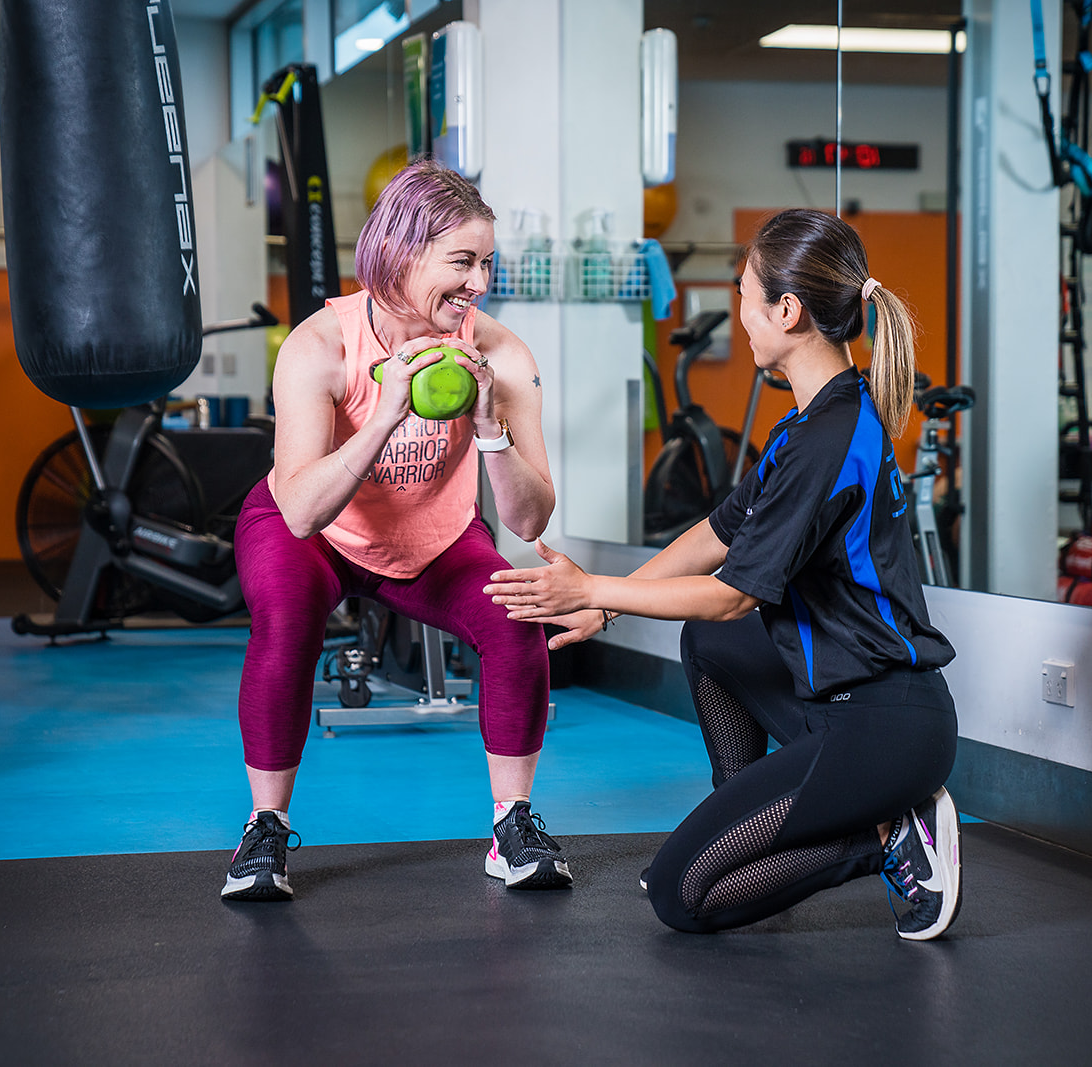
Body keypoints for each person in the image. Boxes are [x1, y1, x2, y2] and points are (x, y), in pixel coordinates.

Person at [485, 209, 962, 940]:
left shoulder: (826, 440)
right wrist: (606, 609)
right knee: (710, 648)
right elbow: (718, 533)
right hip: (840, 698)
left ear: (788, 310)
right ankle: (748, 814)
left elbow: (731, 594)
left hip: (881, 723)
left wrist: (593, 589)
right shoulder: (812, 421)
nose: (741, 313)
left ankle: (885, 836)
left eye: (745, 294)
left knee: (683, 897)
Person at [221, 160, 570, 902]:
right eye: (462, 262)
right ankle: (265, 830)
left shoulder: (501, 356)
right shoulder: (320, 347)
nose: (480, 282)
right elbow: (304, 509)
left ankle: (514, 823)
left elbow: (530, 518)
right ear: (403, 254)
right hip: (308, 527)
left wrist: (488, 426)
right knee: (285, 619)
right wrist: (383, 414)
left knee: (515, 617)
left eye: (486, 263)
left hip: (431, 535)